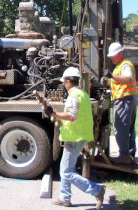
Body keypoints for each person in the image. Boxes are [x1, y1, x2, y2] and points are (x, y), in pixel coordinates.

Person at [44, 67, 105, 208]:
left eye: (64, 82)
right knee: (64, 168)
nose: (64, 85)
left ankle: (97, 190)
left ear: (68, 82)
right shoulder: (82, 93)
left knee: (67, 171)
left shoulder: (73, 96)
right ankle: (65, 197)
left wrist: (54, 114)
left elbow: (72, 116)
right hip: (79, 135)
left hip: (75, 137)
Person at [103, 42, 138, 164]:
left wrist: (111, 76)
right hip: (128, 99)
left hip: (125, 100)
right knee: (128, 129)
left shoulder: (125, 65)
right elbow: (118, 82)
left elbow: (127, 79)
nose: (111, 58)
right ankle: (129, 154)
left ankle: (124, 155)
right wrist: (107, 81)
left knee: (121, 128)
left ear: (120, 54)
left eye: (113, 55)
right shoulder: (120, 66)